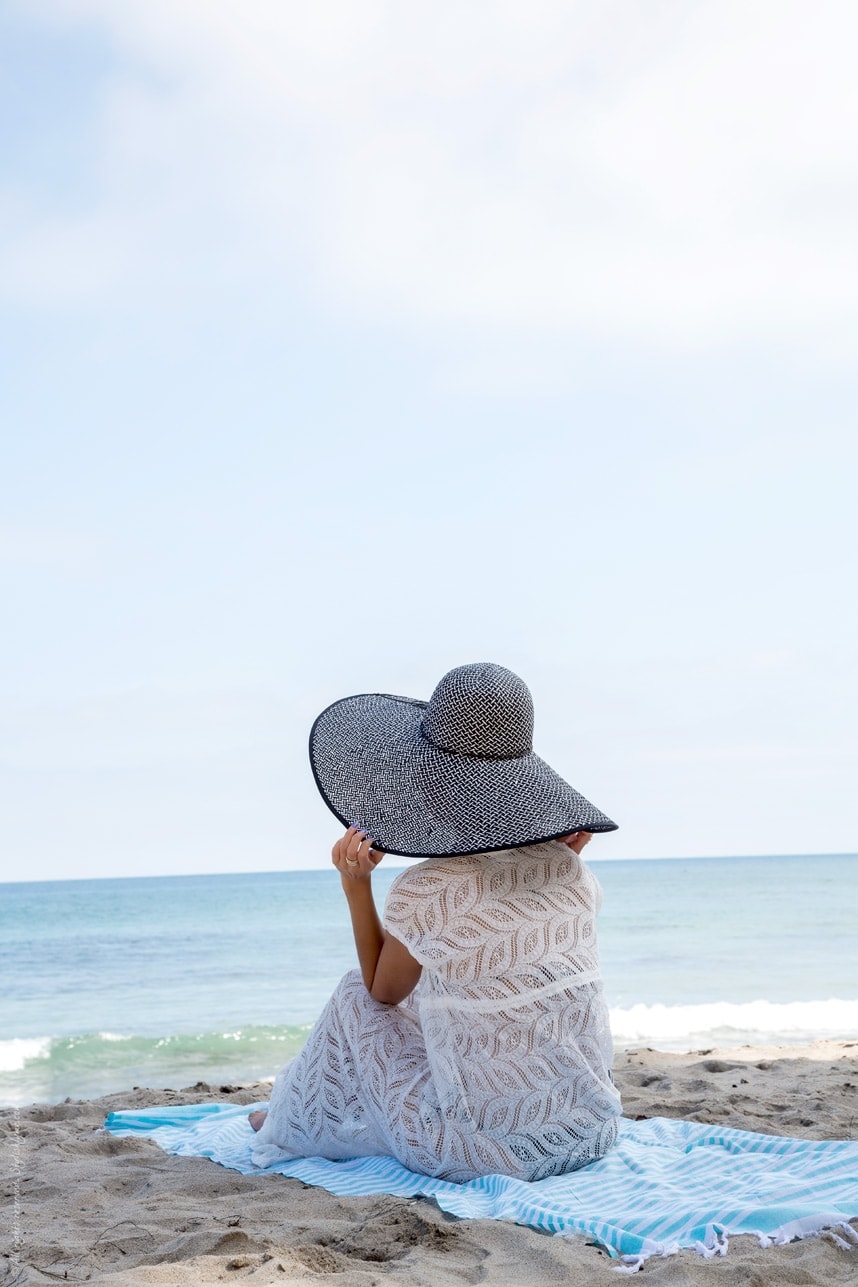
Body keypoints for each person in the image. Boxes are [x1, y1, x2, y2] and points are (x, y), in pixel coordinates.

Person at [250, 662, 622, 1182]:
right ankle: (297, 1114)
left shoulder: (427, 891)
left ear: (428, 776)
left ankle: (289, 1121)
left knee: (355, 994)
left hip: (494, 1153)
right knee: (453, 995)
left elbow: (382, 994)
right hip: (592, 1129)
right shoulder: (574, 872)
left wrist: (356, 886)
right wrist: (554, 852)